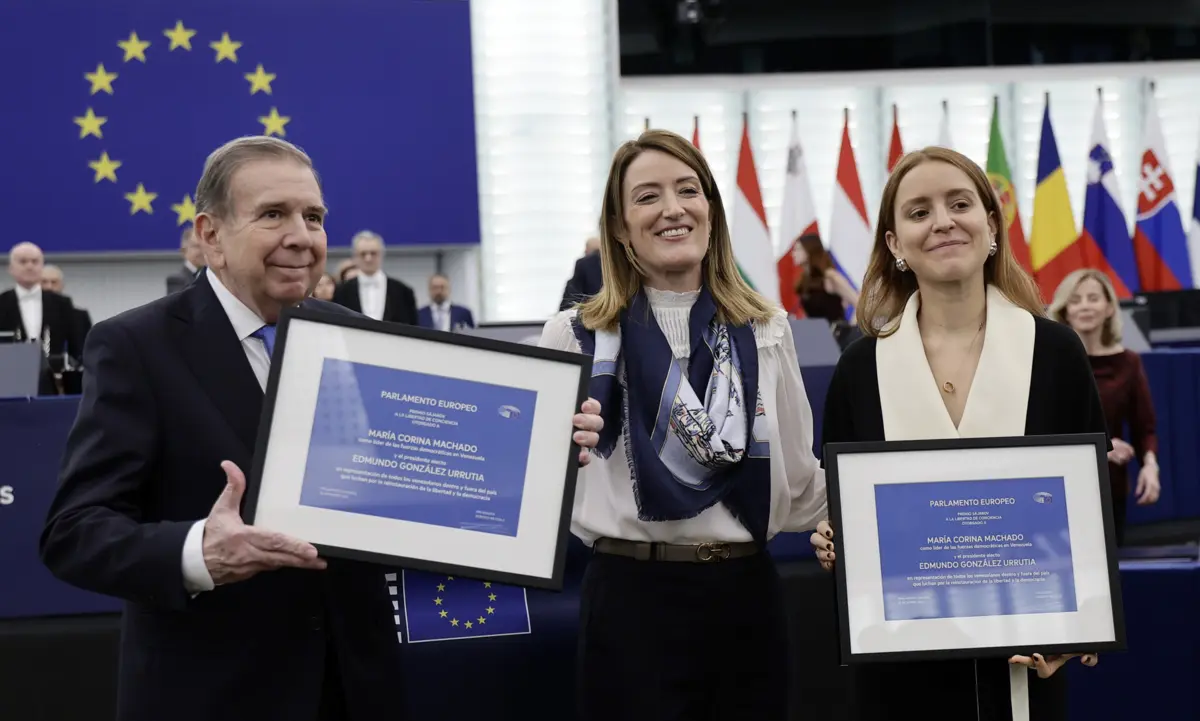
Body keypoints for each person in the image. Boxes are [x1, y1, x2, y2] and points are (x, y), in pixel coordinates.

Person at [38, 134, 607, 721]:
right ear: (210, 236)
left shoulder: (355, 335)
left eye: (313, 216)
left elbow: (415, 483)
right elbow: (75, 532)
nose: (302, 236)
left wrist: (536, 447)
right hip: (212, 693)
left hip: (354, 689)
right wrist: (199, 553)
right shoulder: (135, 345)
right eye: (273, 215)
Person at [809, 147, 1106, 721]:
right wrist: (835, 541)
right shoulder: (861, 368)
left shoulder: (1055, 352)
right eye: (918, 211)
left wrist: (1076, 629)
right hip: (901, 672)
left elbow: (1091, 509)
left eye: (960, 203)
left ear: (991, 225)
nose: (943, 220)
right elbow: (845, 510)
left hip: (1025, 659)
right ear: (895, 244)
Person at [539, 129, 827, 721]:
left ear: (711, 211)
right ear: (619, 226)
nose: (672, 208)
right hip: (629, 599)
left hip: (745, 598)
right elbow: (536, 480)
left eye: (688, 190)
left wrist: (874, 513)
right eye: (647, 196)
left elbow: (800, 482)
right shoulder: (576, 335)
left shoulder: (767, 329)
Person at [1049, 268, 1160, 543]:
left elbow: (1144, 426)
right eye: (1076, 300)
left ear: (1110, 307)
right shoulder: (1049, 362)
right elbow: (1045, 427)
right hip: (1059, 487)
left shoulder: (1129, 362)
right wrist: (1102, 449)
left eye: (1093, 298)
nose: (1085, 306)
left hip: (1109, 487)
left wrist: (1150, 465)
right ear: (1064, 310)